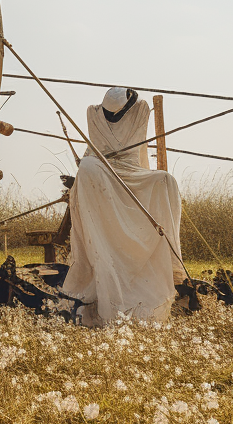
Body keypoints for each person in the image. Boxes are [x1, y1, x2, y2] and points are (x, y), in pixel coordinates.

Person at [61, 87, 185, 326]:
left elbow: (139, 156)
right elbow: (91, 151)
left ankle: (169, 264)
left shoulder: (140, 109)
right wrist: (79, 179)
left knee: (165, 181)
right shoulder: (93, 114)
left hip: (131, 173)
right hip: (102, 172)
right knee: (87, 166)